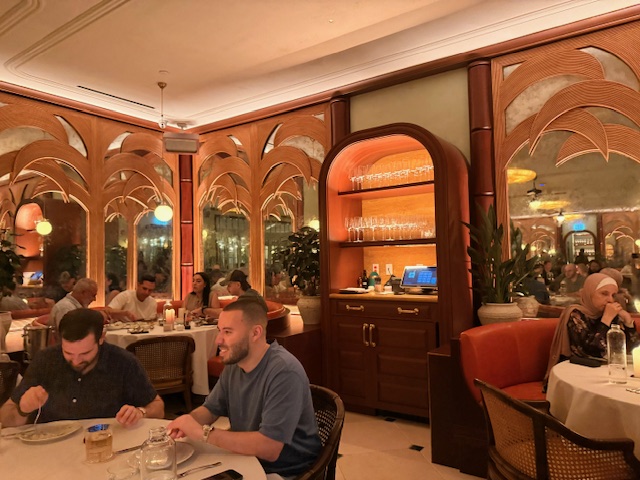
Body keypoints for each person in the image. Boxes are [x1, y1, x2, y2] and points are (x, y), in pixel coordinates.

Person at [167, 299, 321, 478]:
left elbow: (269, 447)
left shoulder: (284, 371)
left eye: (227, 332)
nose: (218, 340)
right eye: (219, 330)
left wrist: (202, 433)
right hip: (244, 459)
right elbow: (211, 409)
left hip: (286, 471)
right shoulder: (235, 365)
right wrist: (186, 422)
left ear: (255, 333)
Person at [0, 308, 164, 427]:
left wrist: (141, 412)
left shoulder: (123, 362)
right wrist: (23, 410)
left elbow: (158, 407)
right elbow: (6, 418)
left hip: (106, 442)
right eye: (68, 353)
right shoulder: (46, 360)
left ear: (101, 338)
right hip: (52, 448)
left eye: (85, 353)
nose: (76, 360)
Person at [545, 273, 640, 384]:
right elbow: (590, 352)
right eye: (604, 294)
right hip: (576, 374)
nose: (610, 300)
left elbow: (632, 351)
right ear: (590, 293)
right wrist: (606, 319)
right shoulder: (576, 313)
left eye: (613, 295)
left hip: (606, 372)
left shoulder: (610, 314)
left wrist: (628, 323)